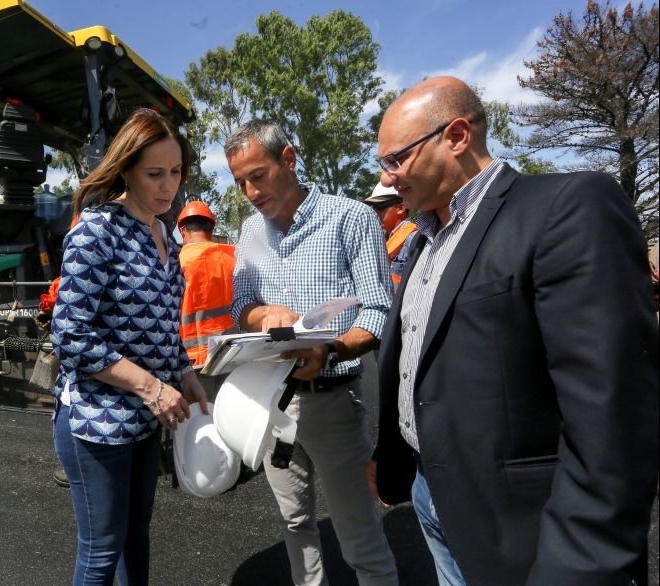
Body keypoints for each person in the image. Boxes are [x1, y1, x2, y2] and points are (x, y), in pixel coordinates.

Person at [368, 77, 659, 586]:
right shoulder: (421, 243)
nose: (387, 178)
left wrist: (578, 566)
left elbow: (614, 413)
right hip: (430, 495)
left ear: (456, 136)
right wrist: (395, 457)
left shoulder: (567, 207)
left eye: (396, 159)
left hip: (525, 530)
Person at [225, 120, 398, 586]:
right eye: (240, 181)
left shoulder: (350, 218)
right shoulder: (249, 233)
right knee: (295, 523)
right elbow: (240, 306)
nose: (249, 191)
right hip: (271, 400)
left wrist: (333, 350)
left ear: (288, 159)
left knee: (358, 532)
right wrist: (262, 317)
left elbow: (379, 310)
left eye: (257, 175)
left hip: (333, 397)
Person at [51, 108, 208, 586]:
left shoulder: (166, 235)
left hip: (143, 418)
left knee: (136, 536)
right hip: (96, 420)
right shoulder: (98, 230)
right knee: (100, 553)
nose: (168, 186)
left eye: (176, 172)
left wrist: (182, 372)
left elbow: (161, 326)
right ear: (126, 170)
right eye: (154, 174)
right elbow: (70, 336)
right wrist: (151, 387)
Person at [177, 200, 237, 401]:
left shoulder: (175, 262)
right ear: (211, 230)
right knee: (227, 420)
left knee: (198, 423)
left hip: (190, 362)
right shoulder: (233, 258)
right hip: (231, 355)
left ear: (183, 230)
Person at [364, 184, 417, 292]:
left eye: (380, 206)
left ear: (401, 208)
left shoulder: (413, 238)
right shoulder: (384, 238)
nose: (374, 212)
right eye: (372, 207)